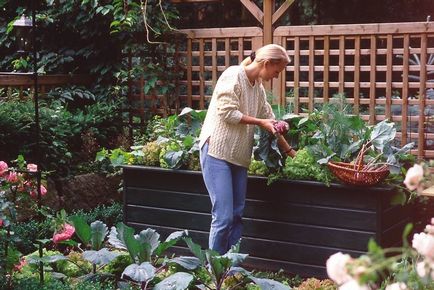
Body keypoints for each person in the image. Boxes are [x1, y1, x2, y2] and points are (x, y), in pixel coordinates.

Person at [199, 43, 296, 254]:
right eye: (276, 71)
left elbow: (268, 118)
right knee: (223, 217)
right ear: (267, 63)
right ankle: (214, 272)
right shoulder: (233, 76)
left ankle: (230, 270)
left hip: (239, 156)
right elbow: (228, 113)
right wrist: (261, 122)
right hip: (216, 151)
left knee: (236, 215)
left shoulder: (258, 88)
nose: (276, 76)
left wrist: (282, 132)